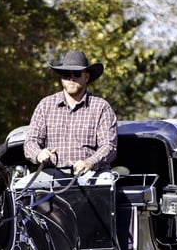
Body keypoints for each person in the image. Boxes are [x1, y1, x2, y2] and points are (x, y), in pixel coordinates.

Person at [21, 50, 117, 185]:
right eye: (66, 74)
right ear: (61, 78)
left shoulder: (101, 107)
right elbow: (30, 142)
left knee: (105, 182)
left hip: (91, 173)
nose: (71, 78)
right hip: (52, 173)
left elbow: (109, 146)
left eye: (77, 74)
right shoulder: (45, 105)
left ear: (86, 77)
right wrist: (39, 154)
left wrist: (89, 162)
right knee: (21, 187)